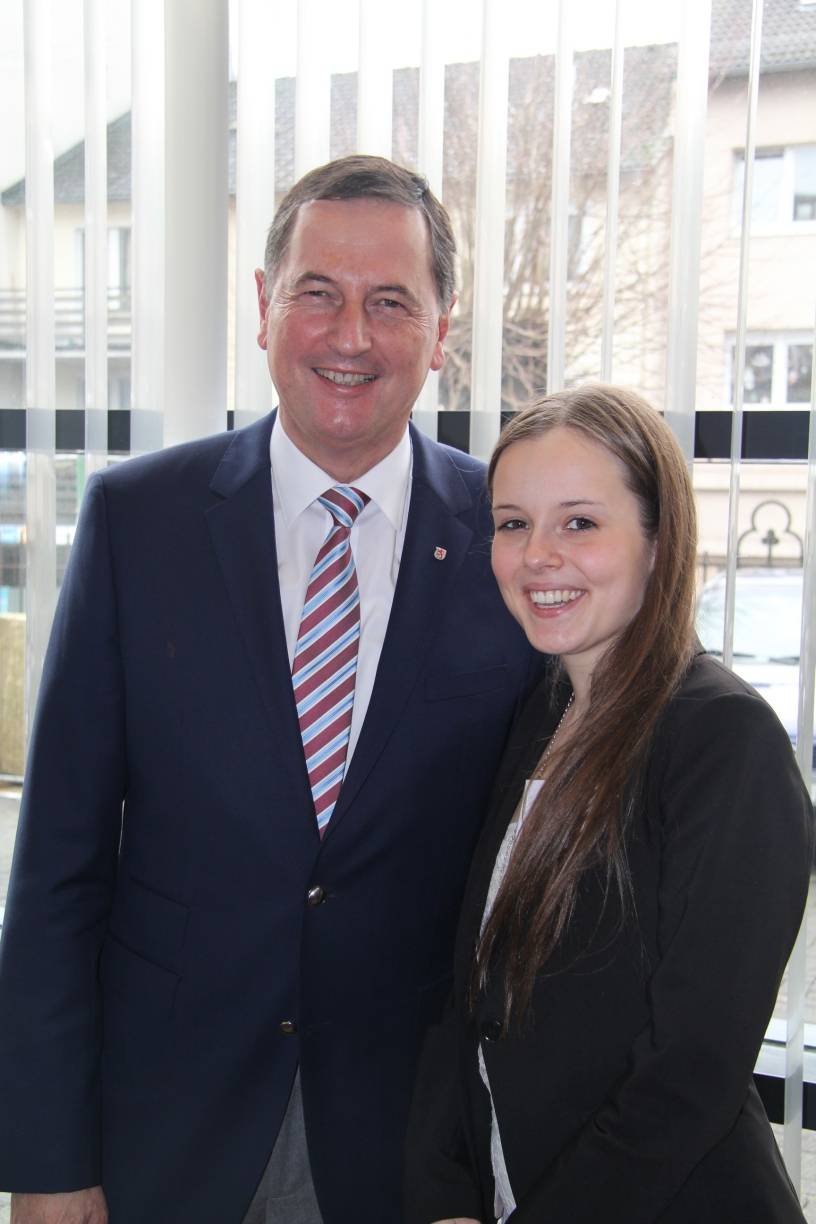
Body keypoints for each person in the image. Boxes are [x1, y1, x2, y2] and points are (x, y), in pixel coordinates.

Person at [0, 155, 535, 1224]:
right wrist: (47, 1160)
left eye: (392, 303)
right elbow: (58, 866)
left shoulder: (510, 541)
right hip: (163, 1129)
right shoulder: (139, 521)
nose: (351, 336)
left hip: (407, 1144)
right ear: (263, 305)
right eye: (317, 293)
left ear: (441, 330)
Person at [405, 384, 814, 1224]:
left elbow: (689, 1074)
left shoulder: (724, 740)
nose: (537, 556)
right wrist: (444, 1194)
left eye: (580, 523)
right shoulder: (542, 712)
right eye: (513, 523)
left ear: (659, 542)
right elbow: (470, 994)